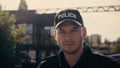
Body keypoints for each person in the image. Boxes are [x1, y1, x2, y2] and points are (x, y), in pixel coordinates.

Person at [37, 9, 120, 68]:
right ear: (55, 35)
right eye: (62, 32)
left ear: (84, 32)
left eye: (73, 30)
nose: (68, 37)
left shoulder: (108, 65)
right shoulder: (46, 66)